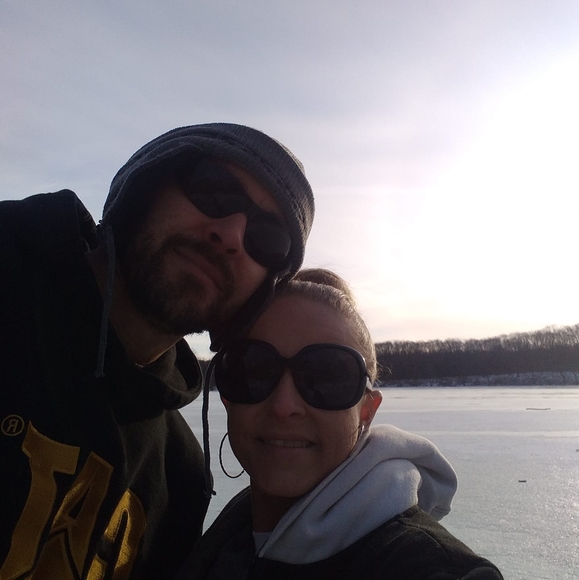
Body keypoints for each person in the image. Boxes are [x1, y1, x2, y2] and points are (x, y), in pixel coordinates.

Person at [0, 123, 315, 579]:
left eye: (268, 239)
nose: (231, 234)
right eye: (213, 190)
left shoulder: (178, 480)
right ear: (144, 187)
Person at [177, 269, 504, 579]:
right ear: (228, 396)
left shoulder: (423, 565)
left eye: (327, 377)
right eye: (256, 371)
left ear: (367, 410)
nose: (284, 406)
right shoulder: (225, 535)